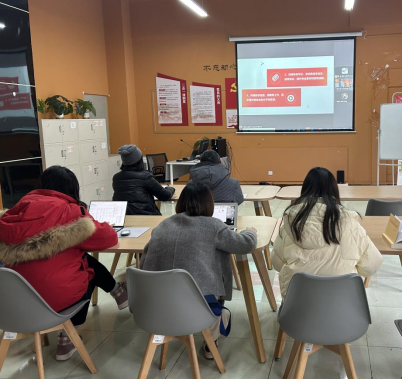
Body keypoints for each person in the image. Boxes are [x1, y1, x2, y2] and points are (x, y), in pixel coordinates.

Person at [0, 166, 128, 361]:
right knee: (87, 270)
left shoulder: (14, 212)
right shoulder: (70, 212)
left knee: (80, 260)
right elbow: (108, 238)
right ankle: (68, 337)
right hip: (53, 301)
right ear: (71, 188)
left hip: (14, 305)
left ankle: (118, 292)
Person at [140, 182, 257, 360]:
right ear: (209, 204)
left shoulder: (163, 225)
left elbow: (144, 261)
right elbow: (245, 244)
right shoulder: (213, 226)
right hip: (196, 309)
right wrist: (250, 232)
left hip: (156, 307)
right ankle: (211, 344)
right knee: (215, 294)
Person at [271, 167, 384, 299]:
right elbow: (371, 265)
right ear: (334, 190)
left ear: (305, 189)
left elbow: (276, 263)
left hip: (297, 306)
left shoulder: (291, 223)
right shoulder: (350, 223)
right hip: (343, 305)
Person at [112, 145, 175, 215]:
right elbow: (165, 196)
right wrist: (170, 189)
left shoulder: (116, 178)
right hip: (145, 214)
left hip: (124, 216)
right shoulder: (145, 176)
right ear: (139, 160)